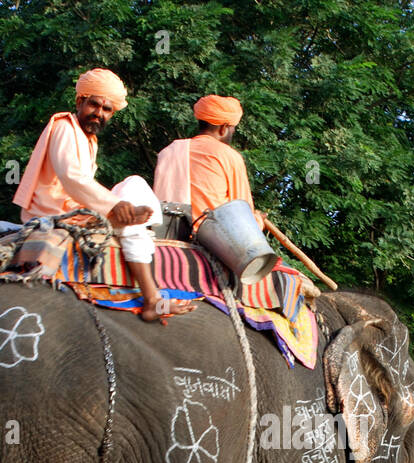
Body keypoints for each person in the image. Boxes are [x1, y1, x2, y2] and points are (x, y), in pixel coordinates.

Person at [13, 68, 193, 322]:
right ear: (80, 101)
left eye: (107, 109)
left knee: (135, 186)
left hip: (78, 207)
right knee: (132, 198)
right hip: (58, 212)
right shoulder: (65, 126)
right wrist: (115, 204)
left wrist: (117, 205)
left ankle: (133, 224)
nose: (99, 113)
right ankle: (153, 299)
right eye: (94, 105)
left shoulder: (88, 139)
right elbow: (71, 177)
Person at [153, 94, 264, 229]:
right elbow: (243, 217)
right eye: (232, 130)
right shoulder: (228, 156)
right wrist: (258, 220)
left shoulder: (168, 151)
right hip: (209, 241)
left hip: (164, 236)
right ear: (223, 128)